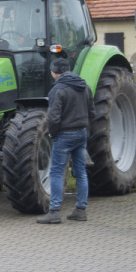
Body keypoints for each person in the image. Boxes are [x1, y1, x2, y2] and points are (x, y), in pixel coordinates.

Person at [37, 58, 92, 224]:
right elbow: (92, 111)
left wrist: (53, 134)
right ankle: (80, 210)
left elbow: (53, 118)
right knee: (81, 172)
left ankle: (54, 211)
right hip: (81, 133)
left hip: (64, 135)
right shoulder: (84, 86)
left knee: (56, 172)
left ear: (54, 72)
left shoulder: (58, 90)